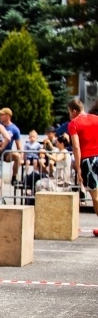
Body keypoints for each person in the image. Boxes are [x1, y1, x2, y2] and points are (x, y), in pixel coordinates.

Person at [68, 98, 98, 229]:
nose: (69, 115)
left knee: (95, 197)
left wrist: (79, 167)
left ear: (74, 111)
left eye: (69, 112)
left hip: (88, 160)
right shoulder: (96, 118)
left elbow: (76, 146)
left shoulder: (74, 123)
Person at [0, 108, 23, 185]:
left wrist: (21, 157)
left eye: (2, 115)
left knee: (17, 156)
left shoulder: (14, 129)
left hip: (6, 152)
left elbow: (18, 145)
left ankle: (14, 178)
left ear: (7, 116)